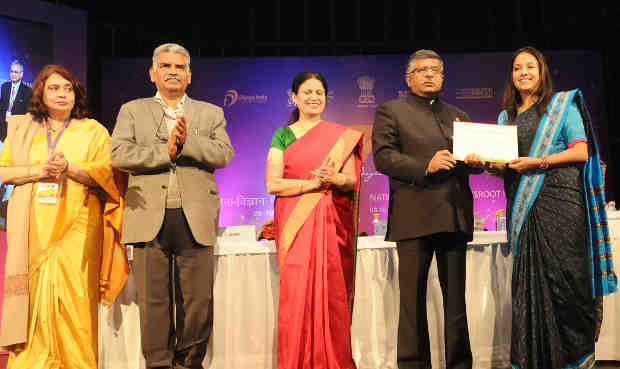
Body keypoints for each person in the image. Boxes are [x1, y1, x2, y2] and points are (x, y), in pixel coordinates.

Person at [487, 46, 617, 369]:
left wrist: (539, 161)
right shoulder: (507, 117)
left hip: (562, 206)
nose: (524, 73)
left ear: (541, 71)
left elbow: (580, 152)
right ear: (511, 76)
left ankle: (576, 359)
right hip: (525, 209)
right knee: (528, 290)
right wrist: (484, 163)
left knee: (567, 284)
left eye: (530, 66)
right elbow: (504, 165)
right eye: (517, 68)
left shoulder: (561, 106)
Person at [111, 43, 234, 369]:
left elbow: (224, 153)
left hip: (196, 217)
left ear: (189, 76)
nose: (172, 71)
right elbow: (118, 155)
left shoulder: (210, 113)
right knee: (154, 301)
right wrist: (165, 151)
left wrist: (186, 143)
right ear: (153, 73)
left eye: (179, 67)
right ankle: (159, 364)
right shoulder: (132, 110)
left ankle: (189, 363)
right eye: (165, 66)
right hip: (149, 217)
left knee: (197, 302)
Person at [0, 64, 126, 369]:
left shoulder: (93, 130)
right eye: (54, 88)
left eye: (67, 89)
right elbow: (3, 171)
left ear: (76, 94)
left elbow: (107, 175)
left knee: (75, 295)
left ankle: (77, 361)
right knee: (34, 294)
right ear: (40, 93)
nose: (61, 94)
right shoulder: (22, 129)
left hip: (79, 224)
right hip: (33, 225)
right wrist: (36, 170)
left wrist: (69, 168)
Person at [372, 49, 482, 369]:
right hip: (413, 218)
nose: (430, 74)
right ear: (409, 78)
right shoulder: (390, 111)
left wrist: (478, 162)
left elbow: (476, 161)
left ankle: (460, 365)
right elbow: (383, 157)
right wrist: (426, 165)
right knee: (412, 304)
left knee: (456, 304)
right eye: (422, 70)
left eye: (436, 70)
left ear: (443, 77)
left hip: (454, 215)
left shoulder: (458, 114)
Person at [265, 71, 363, 369]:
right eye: (306, 92)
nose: (313, 97)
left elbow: (350, 181)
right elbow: (272, 184)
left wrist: (334, 178)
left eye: (319, 92)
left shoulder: (341, 135)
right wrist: (311, 185)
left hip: (332, 222)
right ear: (294, 97)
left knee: (331, 293)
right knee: (296, 295)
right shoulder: (282, 135)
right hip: (295, 220)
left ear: (325, 97)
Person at [0, 61, 34, 140]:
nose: (13, 74)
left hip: (17, 132)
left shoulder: (28, 91)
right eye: (11, 71)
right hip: (3, 130)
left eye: (16, 72)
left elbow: (28, 114)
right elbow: (2, 107)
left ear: (21, 74)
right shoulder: (4, 86)